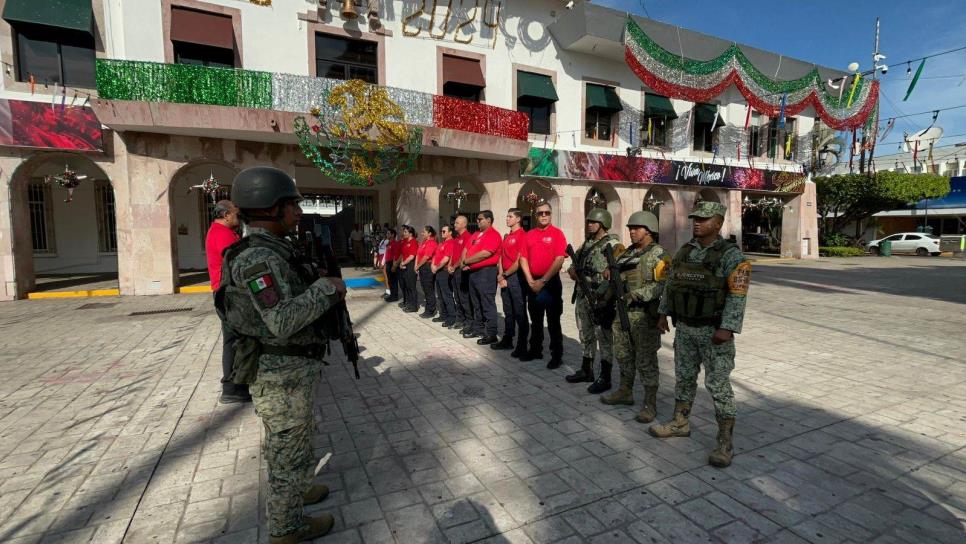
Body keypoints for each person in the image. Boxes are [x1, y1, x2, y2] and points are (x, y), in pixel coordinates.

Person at [218, 166, 346, 542]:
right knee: (286, 448)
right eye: (292, 206)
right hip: (279, 372)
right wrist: (326, 289)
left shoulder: (275, 250)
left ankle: (298, 490)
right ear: (270, 208)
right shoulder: (256, 259)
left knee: (296, 439)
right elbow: (280, 320)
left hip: (293, 369)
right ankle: (286, 528)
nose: (298, 213)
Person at [649, 201, 751, 469]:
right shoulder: (685, 251)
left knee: (717, 385)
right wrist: (663, 313)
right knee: (683, 377)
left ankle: (725, 441)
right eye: (695, 218)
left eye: (704, 219)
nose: (697, 223)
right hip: (685, 328)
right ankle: (680, 422)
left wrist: (727, 328)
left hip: (713, 331)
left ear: (718, 223)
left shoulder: (731, 256)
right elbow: (671, 284)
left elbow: (738, 297)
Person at [600, 211, 670, 424]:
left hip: (644, 316)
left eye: (636, 228)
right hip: (622, 314)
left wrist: (638, 294)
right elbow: (616, 276)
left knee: (646, 361)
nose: (631, 232)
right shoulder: (626, 254)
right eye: (630, 228)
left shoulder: (659, 255)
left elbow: (663, 285)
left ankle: (650, 404)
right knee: (623, 354)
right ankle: (625, 391)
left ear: (649, 231)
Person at [566, 209, 624, 394]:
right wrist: (573, 272)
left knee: (604, 338)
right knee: (585, 333)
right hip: (583, 296)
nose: (589, 224)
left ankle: (605, 377)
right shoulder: (587, 243)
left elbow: (617, 272)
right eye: (588, 221)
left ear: (603, 223)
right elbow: (573, 265)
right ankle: (586, 369)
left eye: (593, 221)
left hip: (601, 300)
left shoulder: (613, 245)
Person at [205, 199, 247, 404]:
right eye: (236, 215)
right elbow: (238, 263)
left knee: (236, 339)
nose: (238, 218)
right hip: (228, 293)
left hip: (228, 292)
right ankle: (231, 387)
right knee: (233, 340)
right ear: (226, 215)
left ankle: (238, 383)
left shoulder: (222, 232)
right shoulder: (221, 234)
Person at [519, 202, 568, 368]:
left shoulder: (557, 234)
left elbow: (559, 259)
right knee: (536, 319)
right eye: (540, 213)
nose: (544, 215)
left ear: (551, 214)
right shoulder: (529, 234)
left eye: (547, 212)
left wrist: (543, 281)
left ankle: (556, 355)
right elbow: (523, 258)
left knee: (553, 321)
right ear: (535, 215)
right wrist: (530, 280)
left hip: (551, 283)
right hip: (533, 282)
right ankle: (535, 350)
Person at [462, 210, 502, 344]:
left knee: (487, 303)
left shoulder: (494, 235)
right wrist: (464, 263)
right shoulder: (476, 234)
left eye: (480, 219)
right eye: (477, 219)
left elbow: (486, 253)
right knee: (476, 303)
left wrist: (467, 261)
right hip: (473, 273)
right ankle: (478, 328)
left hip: (486, 273)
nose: (477, 221)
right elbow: (466, 249)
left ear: (489, 220)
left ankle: (491, 333)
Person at [492, 208, 528, 355]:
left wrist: (505, 274)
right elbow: (500, 256)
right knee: (508, 311)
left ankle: (522, 344)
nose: (507, 219)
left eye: (510, 216)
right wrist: (501, 275)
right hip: (505, 277)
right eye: (507, 216)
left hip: (516, 278)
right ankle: (508, 339)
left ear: (518, 219)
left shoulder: (522, 236)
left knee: (519, 312)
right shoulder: (507, 236)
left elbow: (520, 260)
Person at [450, 213, 473, 331]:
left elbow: (464, 256)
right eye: (455, 222)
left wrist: (454, 266)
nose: (454, 224)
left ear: (464, 224)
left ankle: (469, 321)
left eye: (457, 223)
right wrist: (450, 265)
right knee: (457, 297)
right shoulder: (456, 238)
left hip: (462, 271)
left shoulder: (468, 237)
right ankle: (460, 319)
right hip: (454, 270)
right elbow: (453, 254)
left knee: (464, 297)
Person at [432, 224, 458, 327]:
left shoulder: (451, 243)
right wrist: (433, 266)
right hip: (438, 271)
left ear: (450, 232)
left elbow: (446, 258)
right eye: (441, 231)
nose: (442, 233)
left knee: (447, 295)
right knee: (440, 295)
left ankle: (452, 316)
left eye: (444, 231)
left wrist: (436, 267)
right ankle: (443, 314)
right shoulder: (441, 243)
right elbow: (436, 255)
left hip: (444, 271)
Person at [416, 226, 439, 319]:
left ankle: (431, 310)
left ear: (429, 233)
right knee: (425, 289)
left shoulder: (432, 242)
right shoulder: (424, 242)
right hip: (422, 267)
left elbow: (426, 257)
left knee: (429, 290)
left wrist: (417, 266)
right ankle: (428, 308)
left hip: (427, 267)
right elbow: (419, 254)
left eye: (424, 232)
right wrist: (417, 266)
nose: (422, 233)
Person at [398, 225, 419, 312]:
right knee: (407, 286)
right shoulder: (406, 242)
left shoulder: (413, 242)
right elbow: (403, 254)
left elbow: (411, 256)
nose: (404, 233)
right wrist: (402, 263)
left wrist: (403, 262)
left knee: (411, 287)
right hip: (405, 266)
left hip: (410, 265)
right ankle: (409, 304)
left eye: (406, 232)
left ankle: (414, 306)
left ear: (410, 234)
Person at [383, 229, 400, 302]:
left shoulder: (395, 243)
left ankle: (395, 296)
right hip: (388, 262)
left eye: (389, 233)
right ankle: (392, 294)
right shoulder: (388, 243)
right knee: (390, 280)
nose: (387, 235)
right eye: (387, 233)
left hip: (392, 263)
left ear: (393, 235)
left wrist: (394, 265)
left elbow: (395, 255)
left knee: (393, 280)